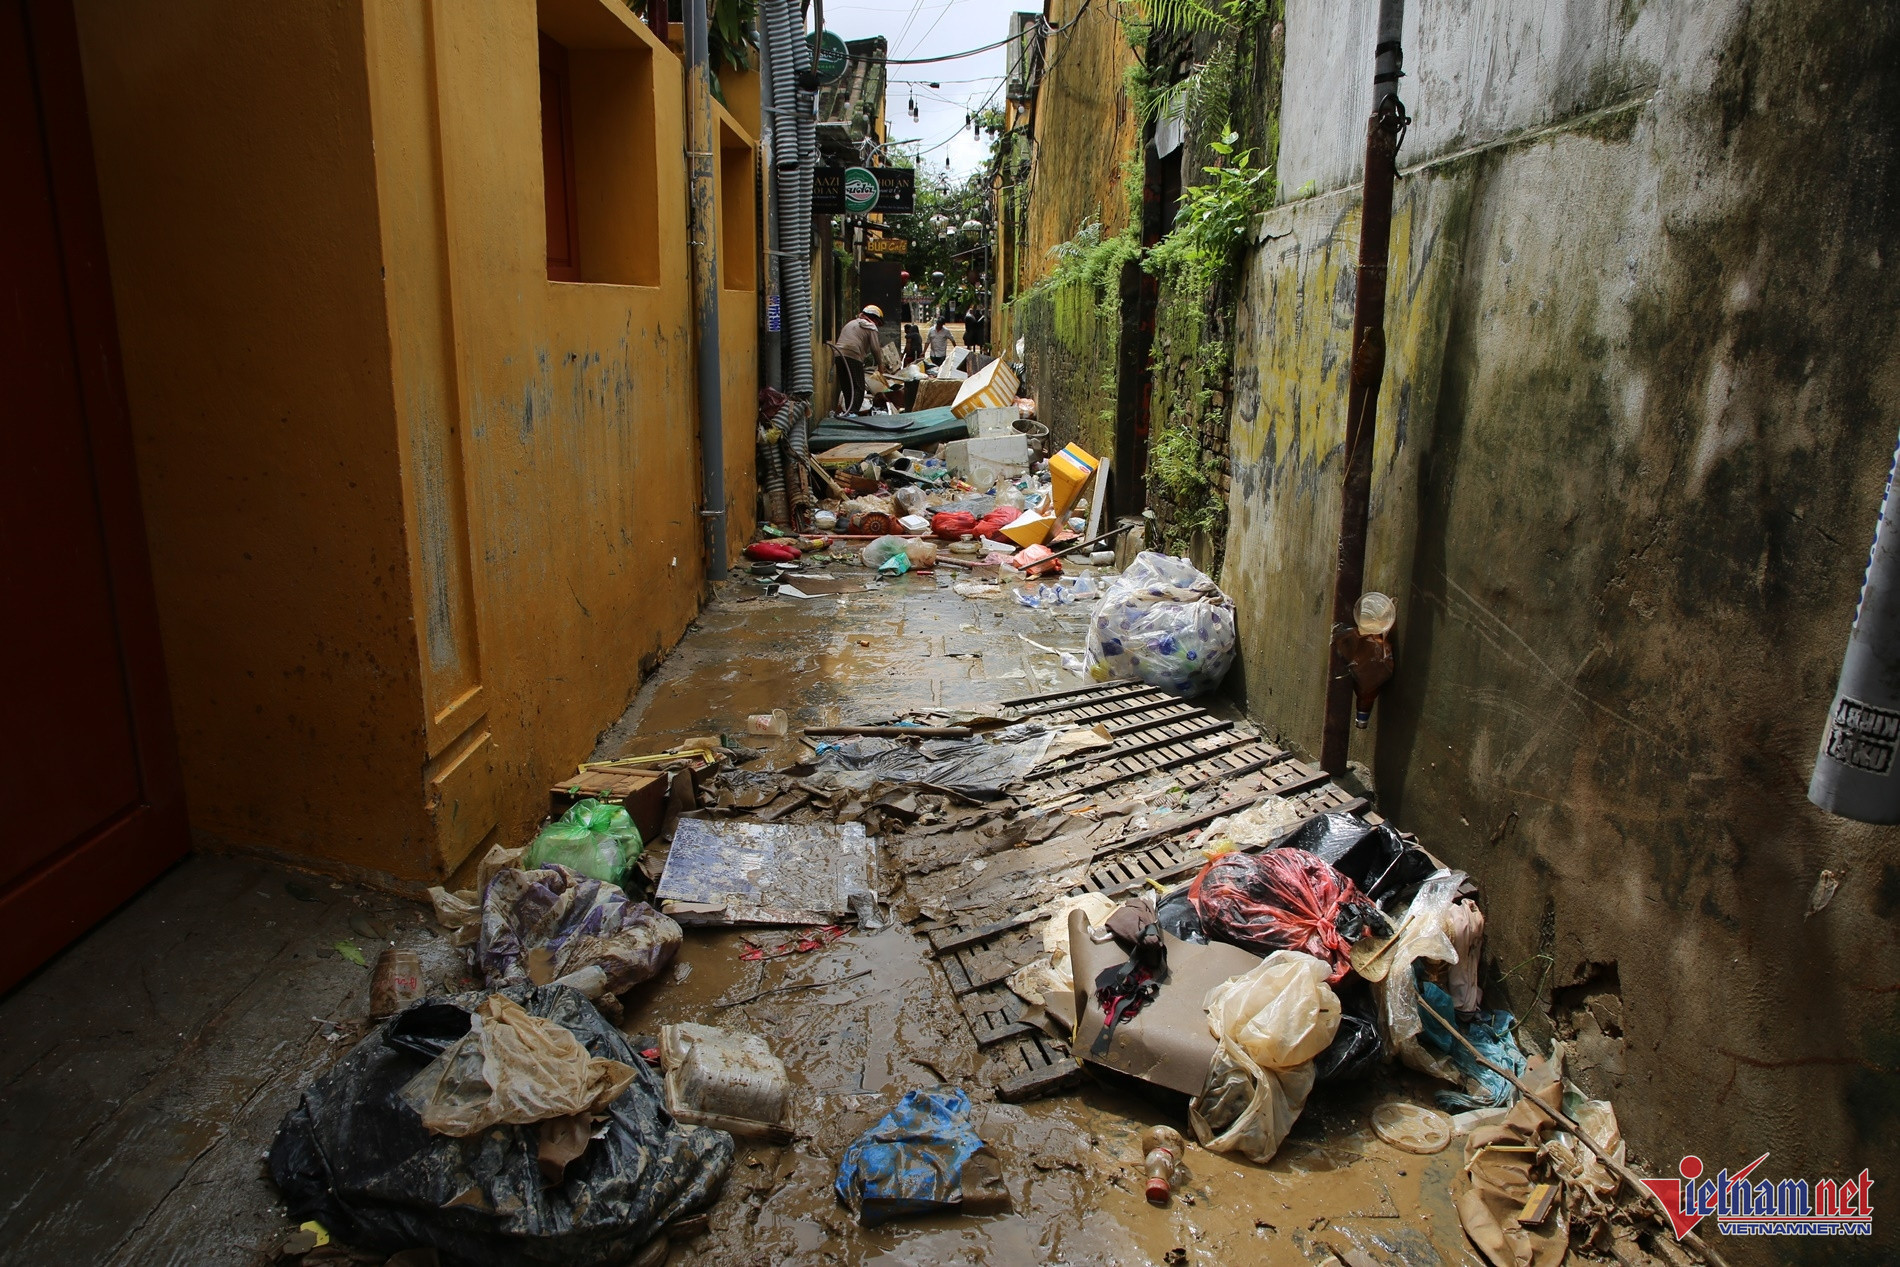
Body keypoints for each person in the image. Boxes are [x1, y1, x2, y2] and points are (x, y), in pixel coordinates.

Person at [832, 304, 883, 414]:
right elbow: (875, 348)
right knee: (859, 387)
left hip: (838, 355)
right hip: (853, 355)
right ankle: (852, 413)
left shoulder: (851, 323)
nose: (877, 326)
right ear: (874, 319)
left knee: (847, 387)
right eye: (878, 323)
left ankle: (848, 412)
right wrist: (880, 365)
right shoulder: (870, 327)